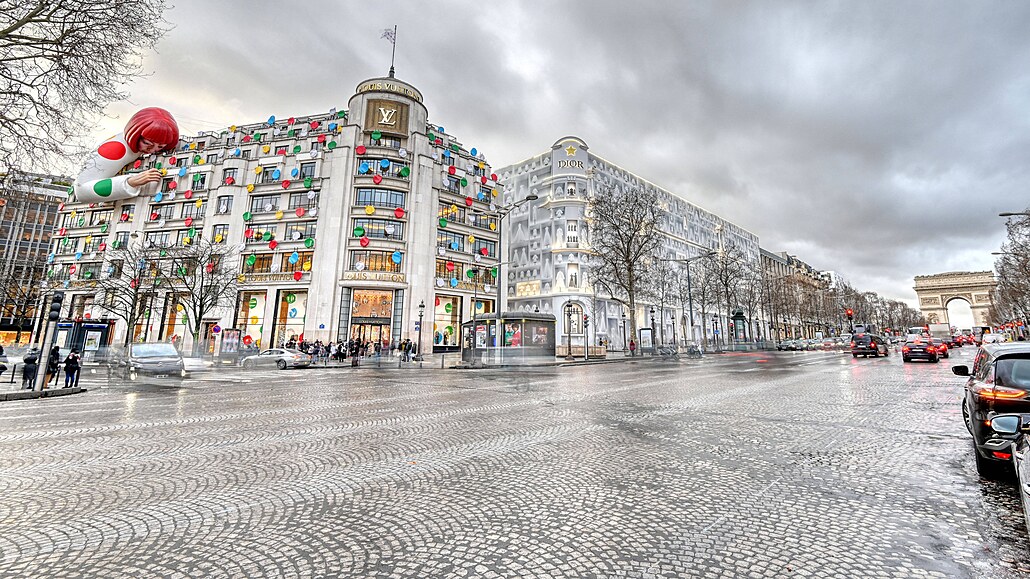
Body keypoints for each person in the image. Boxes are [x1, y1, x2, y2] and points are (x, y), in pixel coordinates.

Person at [73, 107, 180, 204]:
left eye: (160, 147)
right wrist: (130, 182)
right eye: (147, 144)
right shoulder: (116, 149)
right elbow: (81, 191)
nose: (152, 150)